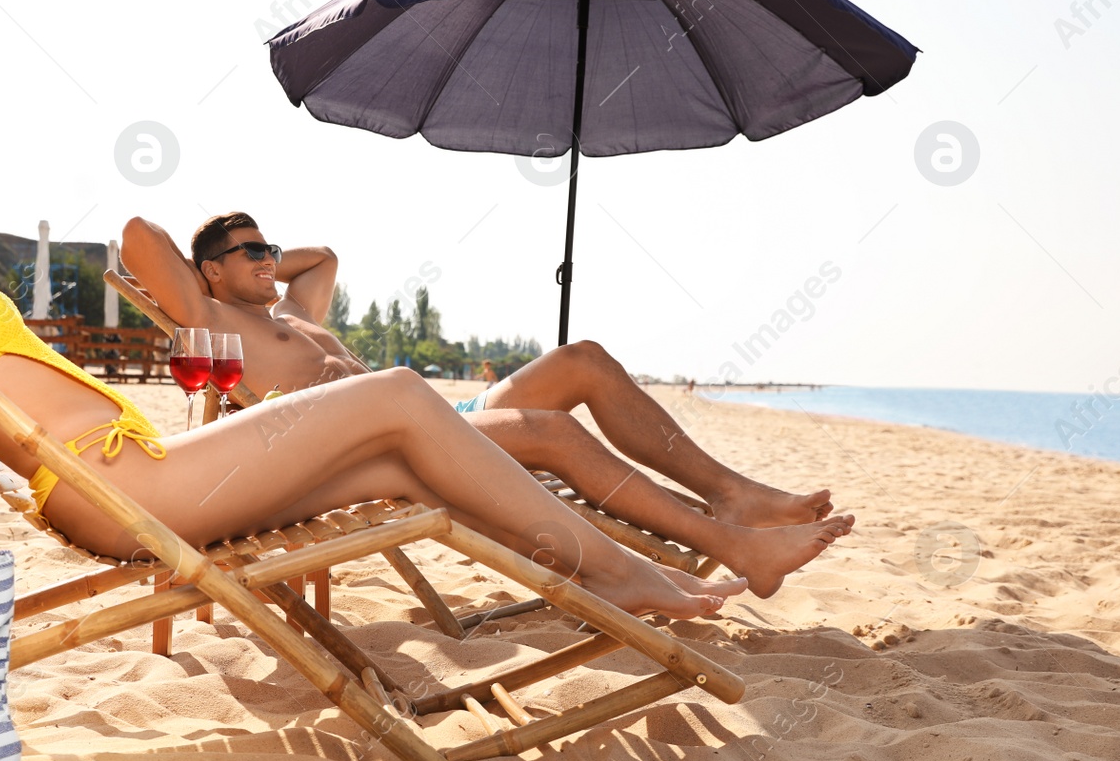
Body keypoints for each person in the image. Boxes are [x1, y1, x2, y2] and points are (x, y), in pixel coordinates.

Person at [0, 39, 748, 619]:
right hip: (121, 482)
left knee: (407, 455)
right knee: (402, 393)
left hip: (130, 468)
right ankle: (627, 572)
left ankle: (658, 563)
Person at [120, 212, 855, 598]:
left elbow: (326, 258)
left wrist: (262, 254)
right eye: (251, 252)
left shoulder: (293, 312)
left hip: (438, 417)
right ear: (210, 268)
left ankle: (735, 496)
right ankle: (734, 547)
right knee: (553, 431)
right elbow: (138, 237)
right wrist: (206, 276)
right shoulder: (213, 321)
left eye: (269, 248)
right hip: (395, 443)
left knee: (584, 359)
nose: (269, 259)